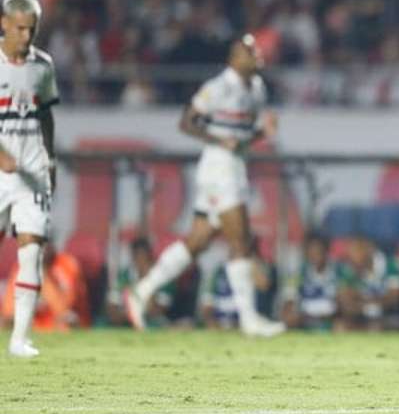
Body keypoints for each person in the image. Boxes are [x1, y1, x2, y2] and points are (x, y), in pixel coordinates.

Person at [123, 34, 285, 337]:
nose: (256, 54)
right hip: (218, 166)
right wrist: (216, 139)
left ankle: (141, 291)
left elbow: (243, 137)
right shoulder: (218, 88)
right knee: (240, 239)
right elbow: (186, 122)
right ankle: (249, 320)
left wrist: (263, 132)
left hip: (233, 165)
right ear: (234, 58)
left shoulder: (258, 89)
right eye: (249, 51)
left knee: (198, 241)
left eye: (256, 50)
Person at [0, 0, 59, 357]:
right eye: (19, 28)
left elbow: (47, 115)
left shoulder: (43, 66)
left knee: (32, 253)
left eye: (32, 29)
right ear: (4, 24)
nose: (26, 36)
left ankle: (20, 339)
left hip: (33, 172)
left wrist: (49, 159)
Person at [3, 240, 88, 332]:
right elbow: (9, 311)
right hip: (33, 328)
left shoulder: (67, 264)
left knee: (67, 320)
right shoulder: (22, 267)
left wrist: (44, 274)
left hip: (63, 326)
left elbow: (64, 310)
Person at [334, 236, 399, 332]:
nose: (352, 257)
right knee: (340, 327)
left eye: (357, 251)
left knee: (379, 327)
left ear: (369, 249)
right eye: (350, 253)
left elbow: (393, 300)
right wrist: (376, 301)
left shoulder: (392, 265)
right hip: (361, 318)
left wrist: (360, 298)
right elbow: (346, 303)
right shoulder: (350, 270)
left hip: (391, 317)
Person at [107, 237, 173, 328]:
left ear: (150, 258)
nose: (140, 262)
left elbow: (158, 311)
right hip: (124, 322)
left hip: (152, 324)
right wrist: (129, 316)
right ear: (132, 257)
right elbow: (112, 307)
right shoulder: (123, 277)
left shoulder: (162, 279)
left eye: (143, 257)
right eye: (137, 257)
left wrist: (149, 282)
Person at [280, 232, 338, 331]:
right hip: (304, 319)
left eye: (318, 252)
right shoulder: (297, 273)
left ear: (326, 251)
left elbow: (343, 301)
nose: (315, 256)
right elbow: (289, 300)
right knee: (289, 317)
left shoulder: (338, 271)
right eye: (311, 252)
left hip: (330, 319)